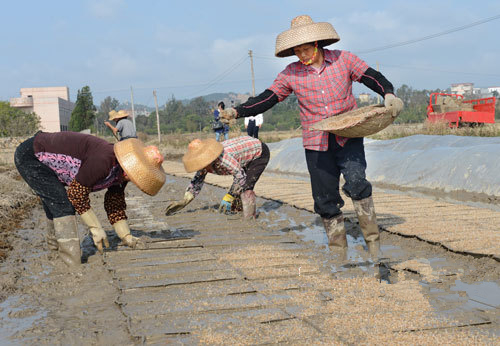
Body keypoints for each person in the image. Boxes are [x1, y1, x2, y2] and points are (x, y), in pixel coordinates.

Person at [219, 15, 403, 258]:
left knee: (358, 183)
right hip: (316, 144)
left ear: (318, 44)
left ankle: (374, 246)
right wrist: (238, 111)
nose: (302, 55)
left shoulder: (343, 60)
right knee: (325, 199)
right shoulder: (291, 74)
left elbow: (371, 77)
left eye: (306, 49)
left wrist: (388, 94)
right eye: (297, 51)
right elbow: (267, 98)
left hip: (348, 137)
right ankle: (339, 254)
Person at [14, 131, 166, 267]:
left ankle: (55, 254)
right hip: (32, 156)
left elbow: (115, 203)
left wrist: (127, 237)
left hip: (43, 156)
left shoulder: (121, 173)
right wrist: (95, 228)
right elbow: (76, 193)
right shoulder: (104, 160)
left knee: (54, 202)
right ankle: (71, 265)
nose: (134, 178)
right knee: (62, 205)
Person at [165, 136, 269, 219]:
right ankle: (238, 213)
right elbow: (197, 181)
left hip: (259, 153)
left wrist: (230, 195)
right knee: (238, 189)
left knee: (246, 188)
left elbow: (240, 176)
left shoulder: (223, 158)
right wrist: (185, 200)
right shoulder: (203, 163)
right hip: (244, 155)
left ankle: (249, 219)